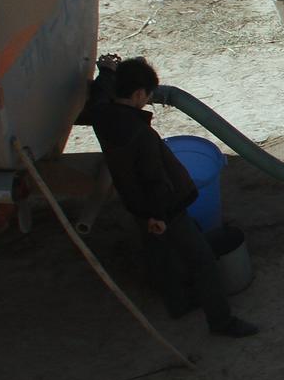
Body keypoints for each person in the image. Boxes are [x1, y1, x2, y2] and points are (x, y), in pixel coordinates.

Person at [84, 56, 256, 337]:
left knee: (159, 256)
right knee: (203, 261)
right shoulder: (141, 135)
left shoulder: (102, 115)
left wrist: (106, 71)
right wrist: (160, 216)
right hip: (164, 210)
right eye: (147, 95)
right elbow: (154, 180)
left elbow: (101, 92)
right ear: (139, 93)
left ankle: (177, 304)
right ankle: (221, 321)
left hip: (136, 206)